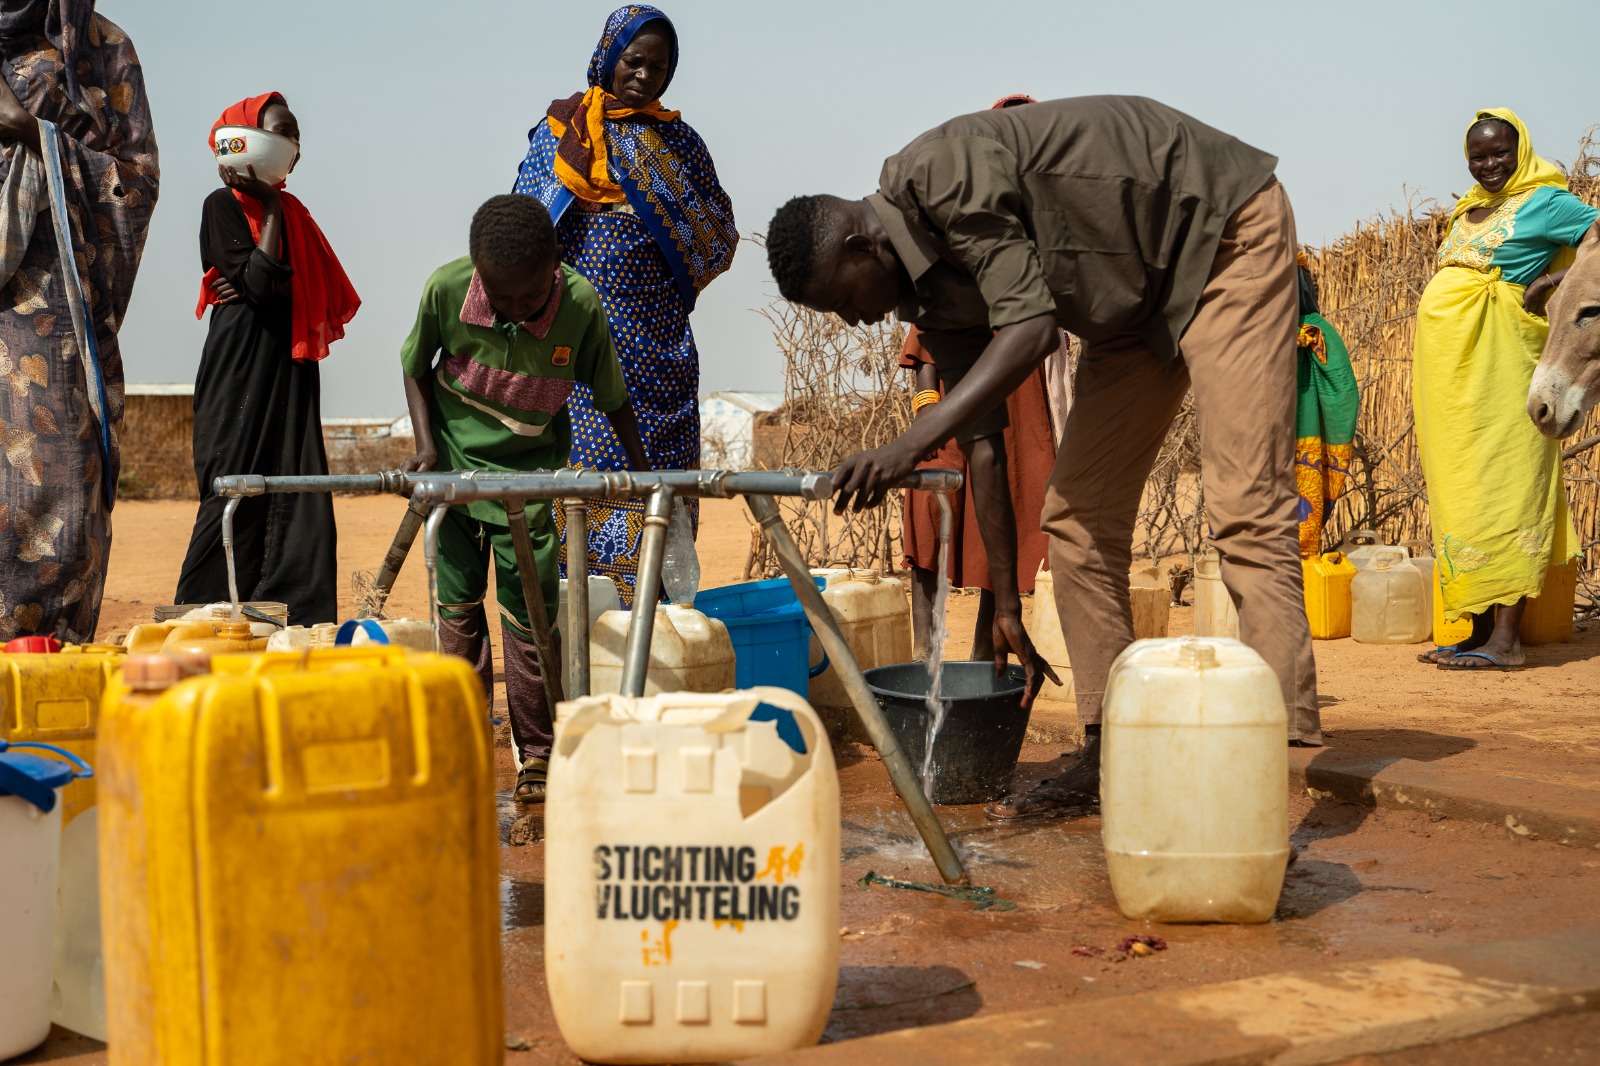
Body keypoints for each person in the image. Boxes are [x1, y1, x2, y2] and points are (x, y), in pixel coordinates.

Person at [765, 95, 1321, 820]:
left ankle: (1281, 763)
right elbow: (984, 444)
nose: (854, 320)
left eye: (844, 300)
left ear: (862, 248)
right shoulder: (929, 297)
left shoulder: (942, 174)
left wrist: (904, 449)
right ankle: (1114, 743)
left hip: (1220, 236)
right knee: (1077, 519)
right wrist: (1004, 603)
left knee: (1246, 510)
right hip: (1127, 306)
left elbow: (1028, 329)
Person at [400, 194, 648, 802]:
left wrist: (645, 474)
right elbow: (414, 366)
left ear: (555, 267)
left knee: (532, 622)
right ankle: (465, 743)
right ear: (478, 270)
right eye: (500, 297)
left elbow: (613, 396)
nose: (512, 311)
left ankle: (536, 757)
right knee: (456, 617)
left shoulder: (581, 306)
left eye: (528, 299)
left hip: (534, 484)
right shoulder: (448, 290)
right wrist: (427, 447)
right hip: (458, 478)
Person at [513, 4, 735, 606]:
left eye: (658, 68)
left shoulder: (680, 142)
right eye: (634, 62)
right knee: (590, 478)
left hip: (662, 346)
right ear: (611, 59)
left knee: (662, 480)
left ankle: (662, 625)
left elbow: (717, 234)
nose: (644, 76)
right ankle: (590, 631)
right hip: (580, 348)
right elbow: (523, 235)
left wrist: (660, 226)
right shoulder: (562, 132)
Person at [1413, 109, 1600, 670]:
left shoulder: (1545, 201)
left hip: (1503, 362)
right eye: (1478, 155)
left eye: (1500, 153)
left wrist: (1550, 281)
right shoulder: (1468, 210)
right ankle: (1475, 629)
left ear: (1520, 153)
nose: (1489, 164)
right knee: (1462, 486)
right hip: (1450, 375)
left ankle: (1507, 640)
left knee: (1509, 479)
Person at [0, 0, 157, 643]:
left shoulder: (100, 48)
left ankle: (42, 700)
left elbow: (137, 181)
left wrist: (35, 133)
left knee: (58, 491)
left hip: (52, 320)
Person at [175, 92, 358, 624]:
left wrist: (268, 246)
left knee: (295, 485)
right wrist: (270, 211)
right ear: (246, 138)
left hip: (289, 365)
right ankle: (199, 621)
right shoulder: (222, 205)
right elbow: (259, 286)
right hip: (239, 365)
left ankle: (291, 620)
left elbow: (275, 288)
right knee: (230, 485)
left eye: (295, 134)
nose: (291, 144)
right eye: (279, 132)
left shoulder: (295, 215)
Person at [900, 93, 1064, 662]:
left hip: (1027, 408)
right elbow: (922, 346)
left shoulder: (1043, 231)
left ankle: (982, 656)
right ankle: (926, 653)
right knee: (928, 516)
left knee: (1012, 524)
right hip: (961, 401)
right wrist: (927, 409)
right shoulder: (958, 231)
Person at [1293, 253, 1358, 557]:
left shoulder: (1317, 330)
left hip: (1299, 440)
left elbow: (1343, 388)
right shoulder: (1249, 330)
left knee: (1301, 528)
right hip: (1257, 437)